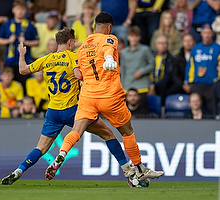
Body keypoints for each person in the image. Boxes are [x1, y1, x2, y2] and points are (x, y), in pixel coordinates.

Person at [1, 27, 138, 187]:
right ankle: (129, 172)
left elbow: (23, 70)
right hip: (73, 110)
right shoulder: (74, 57)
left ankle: (19, 170)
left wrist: (22, 55)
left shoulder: (46, 59)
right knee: (108, 134)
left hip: (52, 111)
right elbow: (79, 74)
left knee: (41, 147)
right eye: (73, 42)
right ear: (69, 42)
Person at [45, 12, 164, 183]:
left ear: (94, 26)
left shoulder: (83, 45)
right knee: (127, 132)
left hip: (87, 96)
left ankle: (61, 154)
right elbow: (108, 49)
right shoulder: (110, 38)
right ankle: (139, 169)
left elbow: (78, 74)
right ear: (109, 27)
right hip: (109, 96)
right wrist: (108, 58)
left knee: (75, 131)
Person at [0, 0, 39, 92]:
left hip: (25, 61)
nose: (20, 11)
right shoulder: (6, 25)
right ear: (13, 10)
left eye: (23, 9)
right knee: (10, 85)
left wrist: (26, 42)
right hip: (10, 61)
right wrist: (8, 40)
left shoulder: (30, 25)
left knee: (23, 85)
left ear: (26, 11)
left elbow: (37, 42)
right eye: (18, 9)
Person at [183, 24, 220, 112]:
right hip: (197, 84)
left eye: (209, 33)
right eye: (205, 33)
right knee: (195, 107)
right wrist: (187, 81)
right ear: (201, 34)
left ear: (212, 34)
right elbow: (190, 66)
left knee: (213, 109)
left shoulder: (218, 48)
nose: (207, 35)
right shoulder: (195, 48)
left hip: (212, 84)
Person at [121, 26, 155, 108]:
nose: (134, 39)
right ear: (128, 37)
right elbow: (123, 70)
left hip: (142, 85)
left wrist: (142, 71)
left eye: (136, 36)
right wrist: (122, 85)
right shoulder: (124, 52)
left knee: (142, 112)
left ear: (139, 37)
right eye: (132, 36)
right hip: (127, 85)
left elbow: (152, 64)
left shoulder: (145, 50)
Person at [149, 35, 174, 105]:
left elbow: (168, 76)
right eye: (160, 43)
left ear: (167, 45)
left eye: (165, 43)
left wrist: (155, 85)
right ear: (156, 45)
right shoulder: (149, 56)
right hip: (149, 84)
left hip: (162, 87)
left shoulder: (171, 59)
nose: (162, 45)